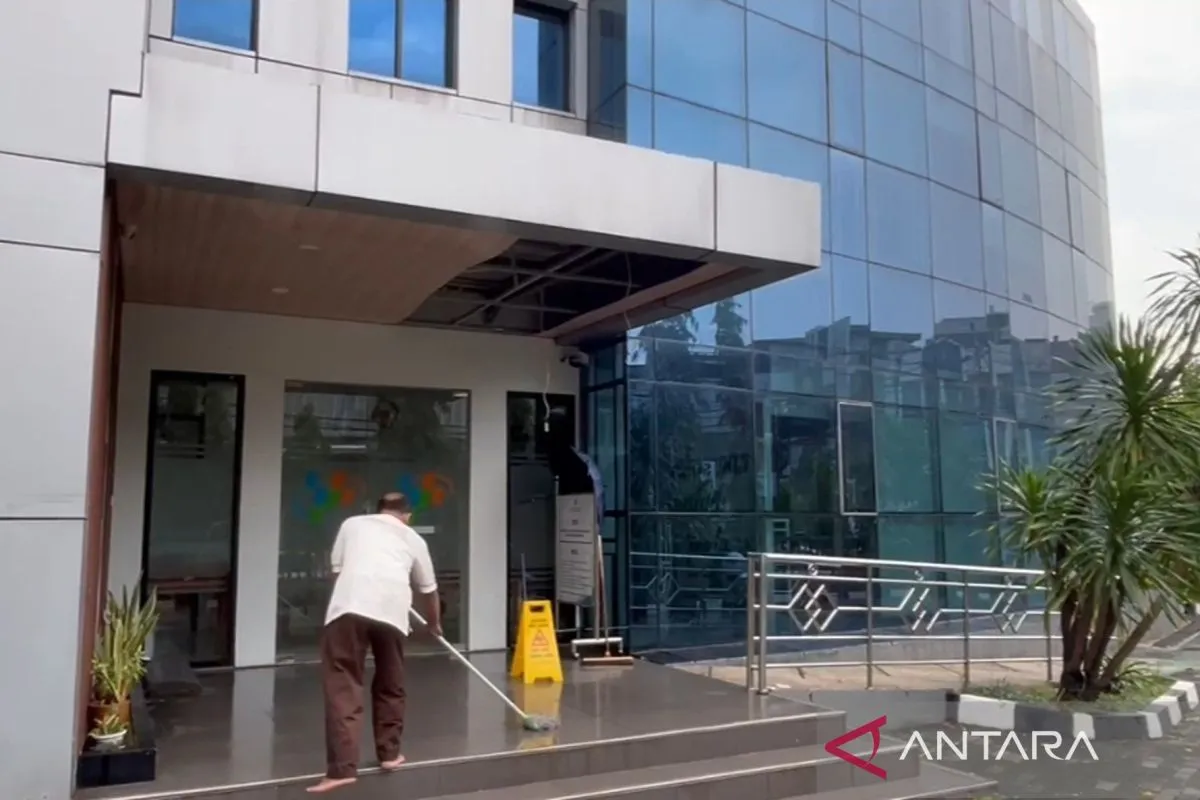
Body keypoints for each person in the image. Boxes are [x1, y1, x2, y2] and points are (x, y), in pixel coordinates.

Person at [307, 492, 441, 794]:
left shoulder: (352, 524)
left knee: (343, 686)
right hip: (392, 610)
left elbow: (337, 573)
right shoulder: (413, 538)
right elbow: (429, 591)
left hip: (349, 608)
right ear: (407, 515)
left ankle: (342, 770)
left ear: (377, 510)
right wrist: (434, 625)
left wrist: (354, 593)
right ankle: (390, 755)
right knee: (391, 682)